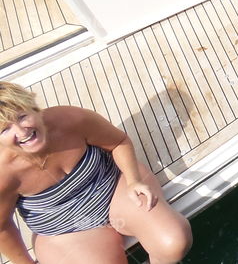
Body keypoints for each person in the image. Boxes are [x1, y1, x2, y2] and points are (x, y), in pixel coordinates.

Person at [0, 81, 192, 264]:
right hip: (66, 231)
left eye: (22, 116)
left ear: (33, 107)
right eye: (5, 130)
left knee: (173, 243)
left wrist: (133, 180)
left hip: (115, 188)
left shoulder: (69, 119)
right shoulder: (3, 172)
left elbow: (118, 143)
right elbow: (3, 227)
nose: (21, 131)